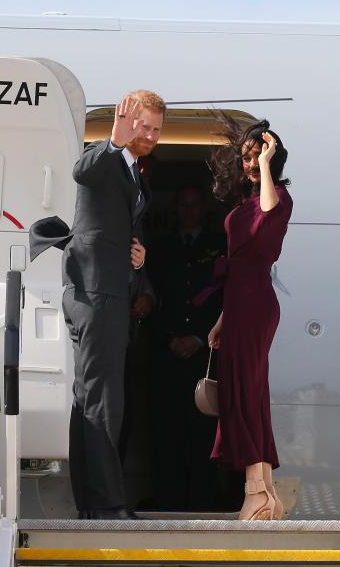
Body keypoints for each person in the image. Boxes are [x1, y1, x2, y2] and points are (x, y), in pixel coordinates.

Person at [53, 90, 165, 520]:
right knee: (103, 400)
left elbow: (115, 226)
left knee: (90, 397)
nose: (151, 135)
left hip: (111, 289)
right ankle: (107, 504)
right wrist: (113, 141)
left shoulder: (135, 171)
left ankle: (91, 501)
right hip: (95, 293)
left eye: (157, 129)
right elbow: (82, 172)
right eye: (144, 126)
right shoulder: (105, 159)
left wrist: (138, 258)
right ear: (126, 122)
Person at [206, 117, 292, 521]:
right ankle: (267, 495)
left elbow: (270, 216)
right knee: (248, 393)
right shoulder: (243, 204)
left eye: (256, 154)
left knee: (244, 393)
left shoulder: (277, 199)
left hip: (256, 302)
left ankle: (255, 493)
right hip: (238, 303)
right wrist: (223, 318)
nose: (250, 162)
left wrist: (268, 164)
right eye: (246, 156)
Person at [148, 185, 227, 510]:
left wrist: (197, 337)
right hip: (166, 352)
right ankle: (168, 500)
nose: (189, 210)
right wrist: (169, 338)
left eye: (195, 204)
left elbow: (223, 297)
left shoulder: (218, 246)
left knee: (202, 431)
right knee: (166, 429)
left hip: (203, 353)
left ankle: (202, 502)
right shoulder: (160, 248)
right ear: (176, 209)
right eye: (184, 204)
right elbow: (152, 299)